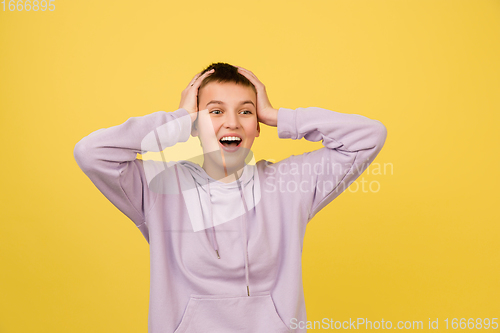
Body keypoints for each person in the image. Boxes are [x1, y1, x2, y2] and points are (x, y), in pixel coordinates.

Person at [73, 62, 387, 333]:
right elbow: (92, 153)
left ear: (257, 126)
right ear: (195, 125)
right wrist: (177, 120)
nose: (232, 122)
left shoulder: (290, 185)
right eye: (216, 111)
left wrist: (279, 116)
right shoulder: (159, 188)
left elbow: (369, 136)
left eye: (246, 111)